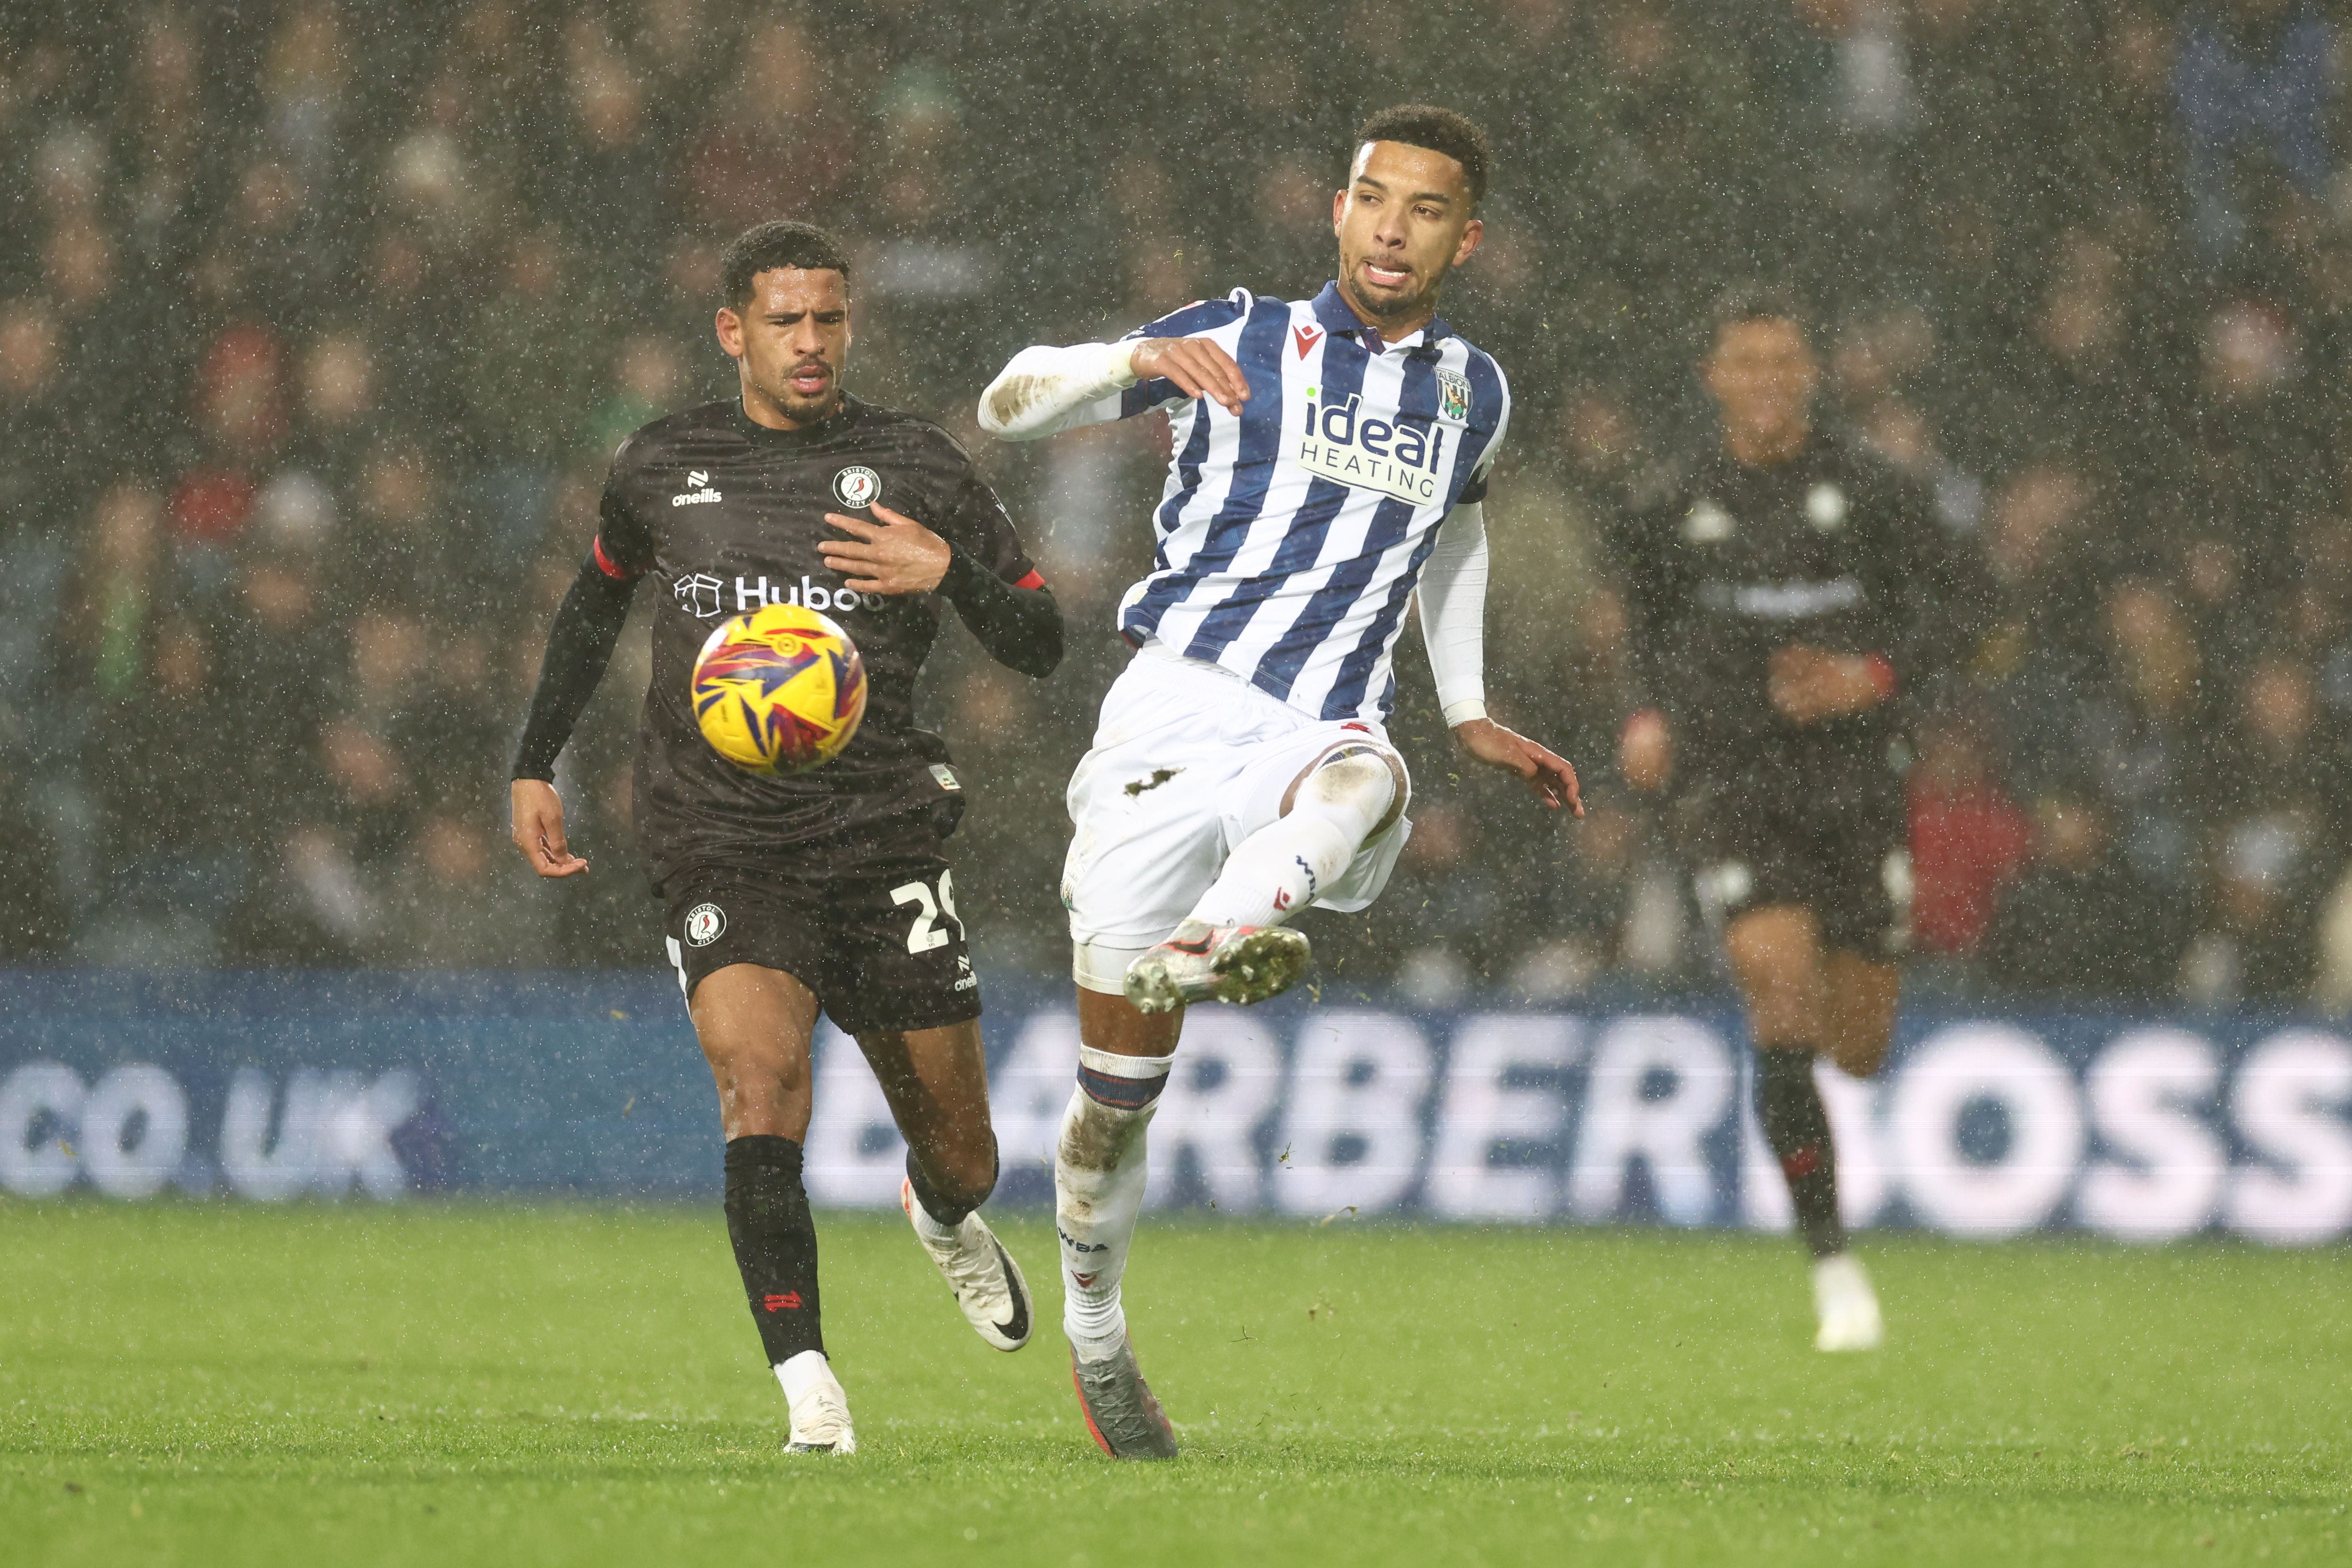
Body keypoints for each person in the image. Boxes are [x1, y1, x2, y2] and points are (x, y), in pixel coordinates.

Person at [979, 106, 1580, 1458]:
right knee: (1106, 1114)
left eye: (1428, 210)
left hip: (1320, 719)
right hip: (1167, 713)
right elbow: (1002, 405)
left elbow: (1457, 533)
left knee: (1367, 777)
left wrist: (1471, 709)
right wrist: (1128, 358)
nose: (1394, 226)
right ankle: (1095, 1337)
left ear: (1464, 238)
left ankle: (1228, 930)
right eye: (1376, 198)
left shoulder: (1471, 390)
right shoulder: (1238, 335)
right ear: (1336, 208)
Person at [508, 220, 1061, 1453]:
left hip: (882, 836)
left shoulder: (916, 465)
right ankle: (810, 1382)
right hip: (721, 835)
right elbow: (595, 602)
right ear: (732, 330)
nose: (810, 343)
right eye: (784, 321)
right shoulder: (661, 465)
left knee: (965, 1150)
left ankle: (943, 1212)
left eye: (829, 320)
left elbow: (1039, 635)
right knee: (761, 1086)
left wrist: (948, 569)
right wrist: (533, 759)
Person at [1608, 288, 1983, 1352]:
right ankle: (1832, 1265)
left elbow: (1970, 609)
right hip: (1735, 781)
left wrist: (1872, 674)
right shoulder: (1669, 500)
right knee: (1777, 998)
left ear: (1808, 376)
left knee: (1857, 1044)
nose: (1765, 381)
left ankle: (1822, 1136)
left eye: (1784, 362)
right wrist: (1644, 714)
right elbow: (1642, 622)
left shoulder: (1875, 492)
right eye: (1746, 362)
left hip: (1857, 781)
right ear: (1714, 377)